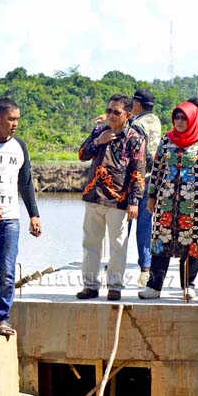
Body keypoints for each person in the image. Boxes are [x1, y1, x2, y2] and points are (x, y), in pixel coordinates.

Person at [138, 102, 198, 300]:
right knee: (161, 244)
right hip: (167, 201)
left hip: (196, 204)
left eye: (184, 118)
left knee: (192, 244)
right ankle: (154, 287)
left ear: (192, 119)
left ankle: (188, 285)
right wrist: (152, 195)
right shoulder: (167, 139)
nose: (180, 122)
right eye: (177, 117)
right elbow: (157, 169)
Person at [76, 94, 146, 301]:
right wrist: (99, 141)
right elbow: (82, 154)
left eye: (116, 112)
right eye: (109, 111)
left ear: (128, 114)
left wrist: (134, 201)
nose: (111, 115)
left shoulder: (135, 137)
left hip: (118, 199)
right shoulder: (99, 130)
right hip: (93, 195)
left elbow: (138, 171)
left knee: (118, 245)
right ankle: (90, 285)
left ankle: (114, 286)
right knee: (90, 243)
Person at [0, 98, 41, 335]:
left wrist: (34, 215)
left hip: (10, 219)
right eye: (11, 119)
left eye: (17, 119)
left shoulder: (19, 146)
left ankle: (1, 319)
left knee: (6, 272)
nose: (15, 123)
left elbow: (25, 182)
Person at [130, 88, 162, 287]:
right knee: (145, 223)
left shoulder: (136, 123)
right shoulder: (156, 121)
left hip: (137, 178)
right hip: (152, 178)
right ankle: (146, 264)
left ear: (138, 104)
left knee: (126, 223)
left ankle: (119, 261)